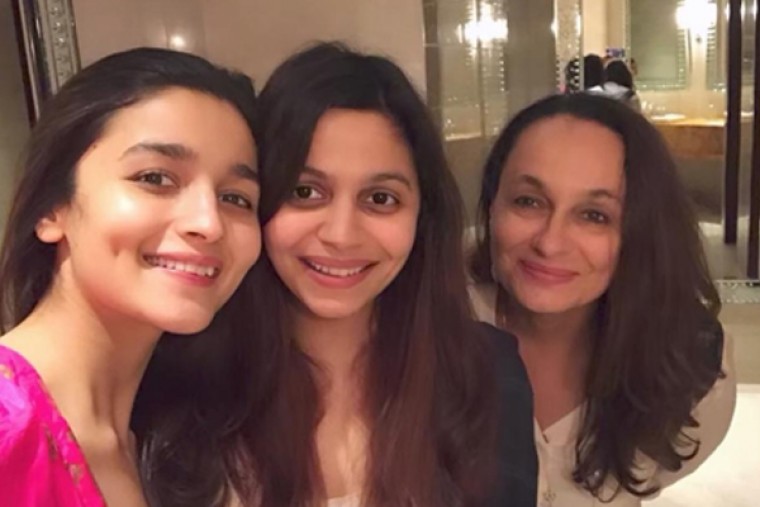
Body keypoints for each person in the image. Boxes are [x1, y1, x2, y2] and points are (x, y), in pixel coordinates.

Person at [142, 41, 538, 507]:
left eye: (380, 199)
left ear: (422, 217)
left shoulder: (488, 376)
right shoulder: (172, 385)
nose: (341, 235)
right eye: (305, 191)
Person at [0, 47, 261, 506]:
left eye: (236, 198)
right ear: (51, 208)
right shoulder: (9, 424)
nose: (209, 223)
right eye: (155, 178)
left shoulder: (173, 444)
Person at [469, 93, 736, 506]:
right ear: (491, 207)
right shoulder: (426, 321)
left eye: (594, 215)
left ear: (640, 231)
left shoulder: (690, 369)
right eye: (528, 202)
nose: (551, 243)